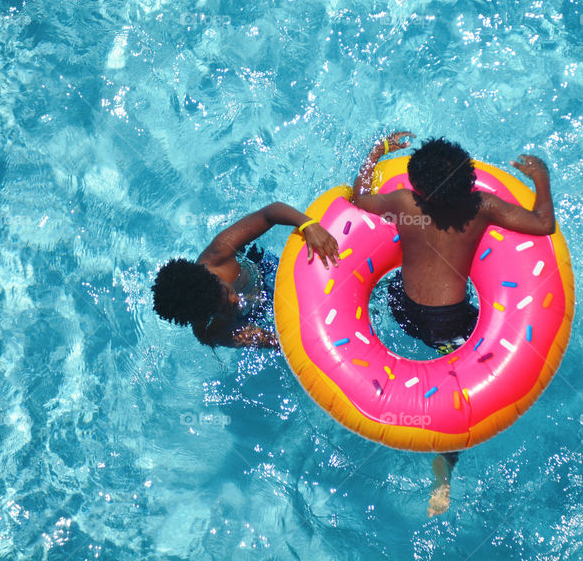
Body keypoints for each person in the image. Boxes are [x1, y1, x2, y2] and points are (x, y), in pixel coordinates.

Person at [351, 132, 556, 517]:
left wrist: (375, 153)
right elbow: (543, 224)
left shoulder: (403, 202)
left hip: (400, 304)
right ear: (469, 179)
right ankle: (442, 480)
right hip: (450, 324)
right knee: (460, 399)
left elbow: (358, 197)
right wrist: (540, 176)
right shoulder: (480, 207)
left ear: (419, 189)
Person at [152, 202, 340, 349]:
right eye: (220, 309)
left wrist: (308, 225)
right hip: (257, 314)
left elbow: (270, 213)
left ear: (213, 276)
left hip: (264, 271)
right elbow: (277, 342)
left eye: (225, 291)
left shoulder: (219, 253)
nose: (233, 300)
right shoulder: (210, 330)